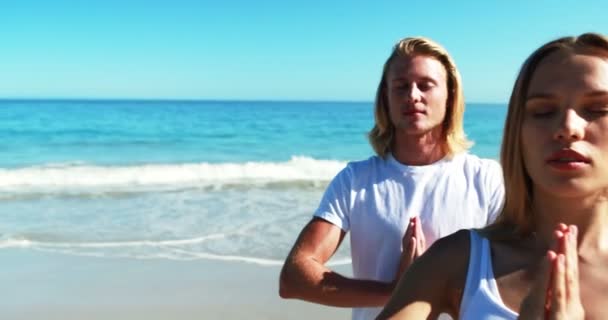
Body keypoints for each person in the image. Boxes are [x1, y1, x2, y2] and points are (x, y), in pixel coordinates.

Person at [377, 32, 608, 320]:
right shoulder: (456, 261)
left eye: (599, 108)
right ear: (517, 133)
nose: (568, 127)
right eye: (543, 111)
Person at [278, 36, 505, 320]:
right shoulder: (356, 181)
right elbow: (294, 276)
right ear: (385, 98)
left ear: (450, 95)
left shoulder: (486, 179)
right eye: (400, 86)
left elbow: (519, 272)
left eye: (425, 85)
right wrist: (398, 290)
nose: (412, 95)